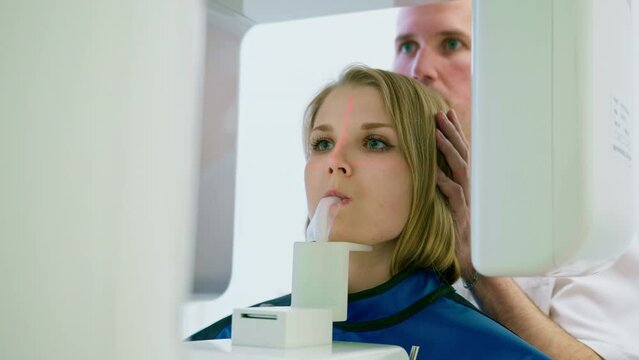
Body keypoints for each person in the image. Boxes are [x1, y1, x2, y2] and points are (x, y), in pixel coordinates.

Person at [189, 65, 550, 359]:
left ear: (432, 175)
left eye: (374, 142)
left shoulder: (485, 351)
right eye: (322, 143)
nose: (335, 162)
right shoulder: (230, 340)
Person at [392, 1, 639, 359]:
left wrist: (479, 269)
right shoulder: (379, 202)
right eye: (407, 46)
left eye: (452, 44)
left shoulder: (584, 206)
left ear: (505, 60)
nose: (420, 69)